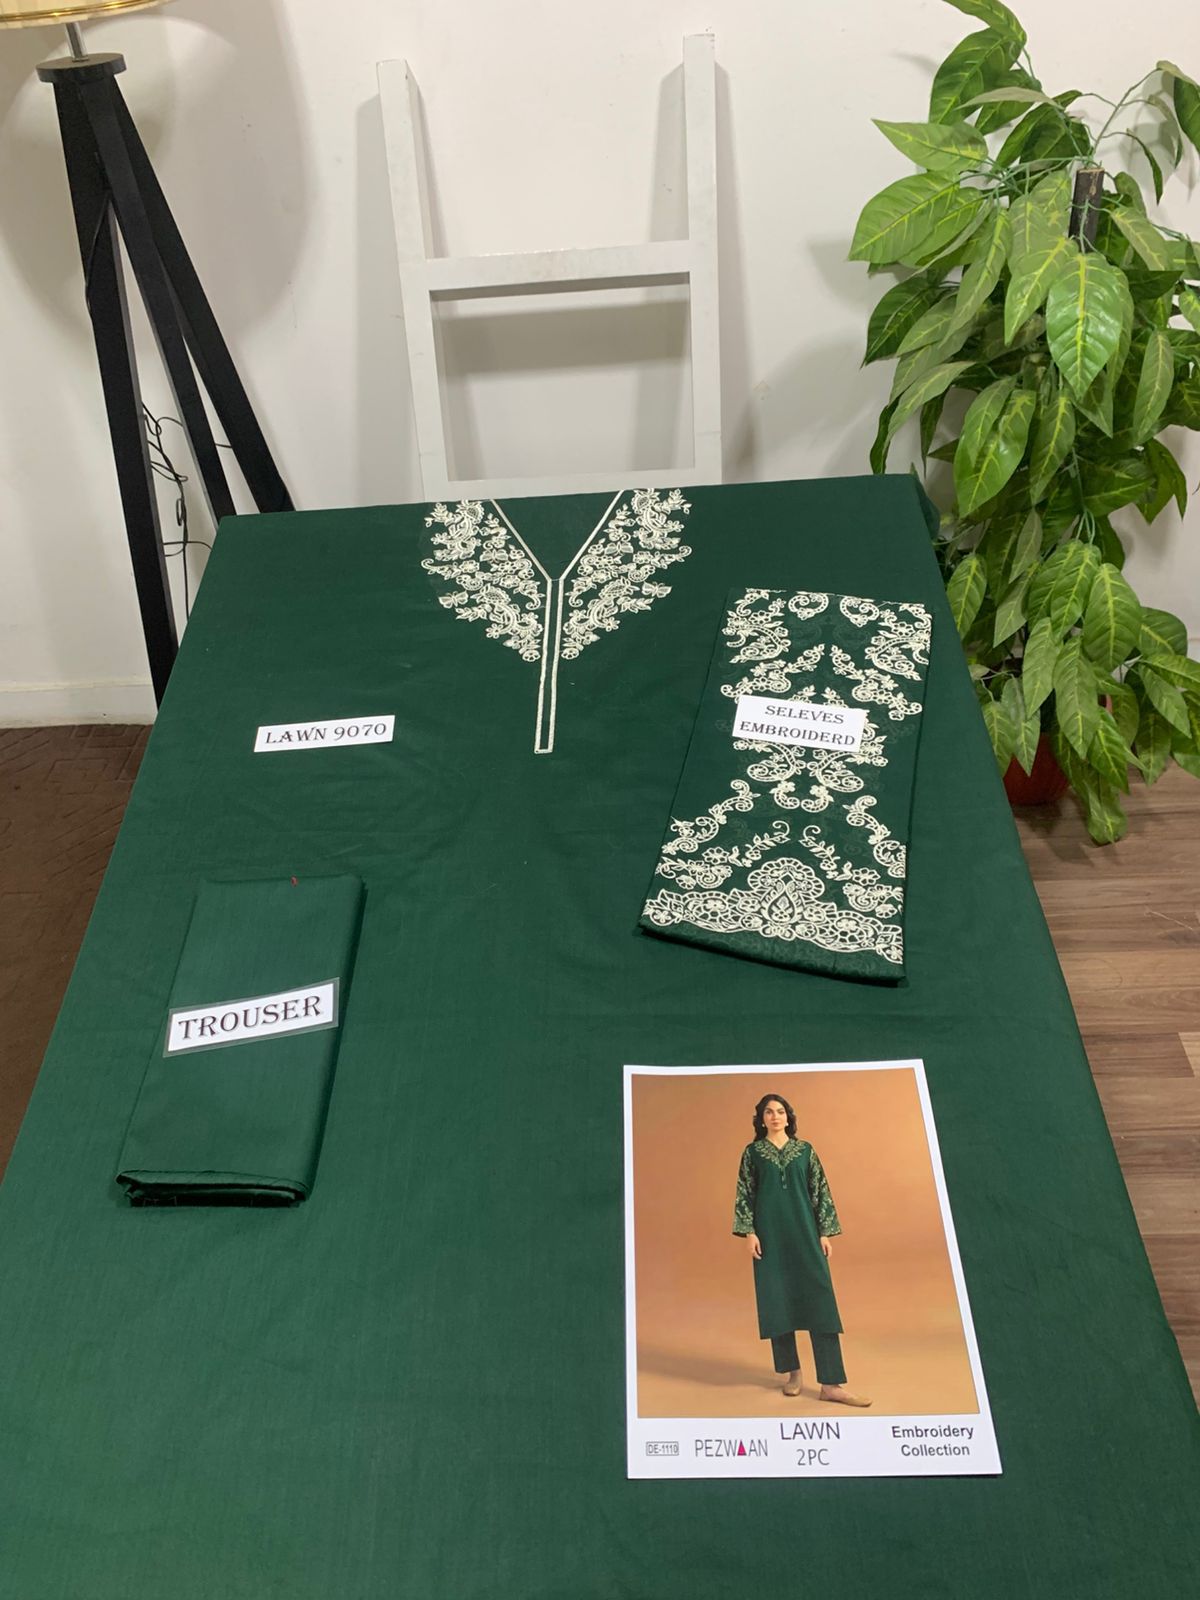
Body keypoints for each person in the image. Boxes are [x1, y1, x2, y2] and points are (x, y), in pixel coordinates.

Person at [733, 1093, 870, 1406]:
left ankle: (831, 1384)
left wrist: (824, 1233)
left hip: (805, 1232)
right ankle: (792, 1374)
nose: (775, 1117)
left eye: (780, 1111)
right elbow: (744, 1193)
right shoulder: (752, 1153)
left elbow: (820, 1191)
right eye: (769, 1112)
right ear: (761, 1118)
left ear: (788, 1116)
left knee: (821, 1301)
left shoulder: (805, 1150)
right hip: (769, 1236)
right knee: (777, 1301)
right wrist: (750, 1232)